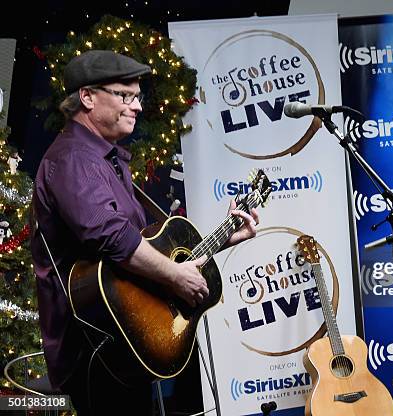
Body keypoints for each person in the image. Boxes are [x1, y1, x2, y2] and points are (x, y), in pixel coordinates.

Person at [31, 50, 259, 415]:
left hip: (125, 340)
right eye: (125, 95)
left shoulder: (106, 159)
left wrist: (222, 238)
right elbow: (113, 238)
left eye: (138, 97)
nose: (136, 106)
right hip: (96, 347)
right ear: (87, 97)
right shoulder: (73, 159)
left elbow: (144, 244)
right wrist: (175, 276)